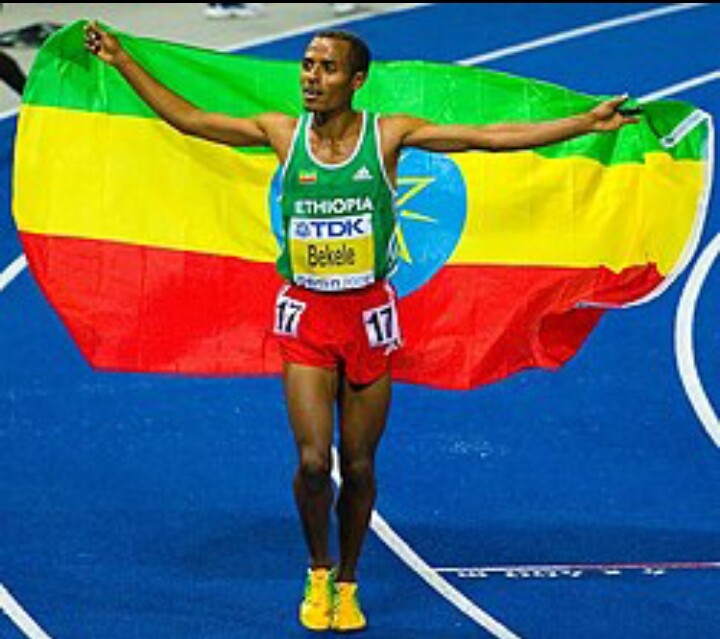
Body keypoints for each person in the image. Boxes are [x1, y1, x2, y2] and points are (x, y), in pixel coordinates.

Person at [83, 21, 636, 633]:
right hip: (307, 319)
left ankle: (348, 581)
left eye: (326, 68)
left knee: (361, 466)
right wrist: (121, 60)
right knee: (313, 462)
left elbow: (489, 137)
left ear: (356, 80)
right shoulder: (282, 133)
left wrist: (583, 124)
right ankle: (318, 569)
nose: (311, 77)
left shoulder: (388, 136)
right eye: (307, 64)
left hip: (367, 320)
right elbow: (189, 120)